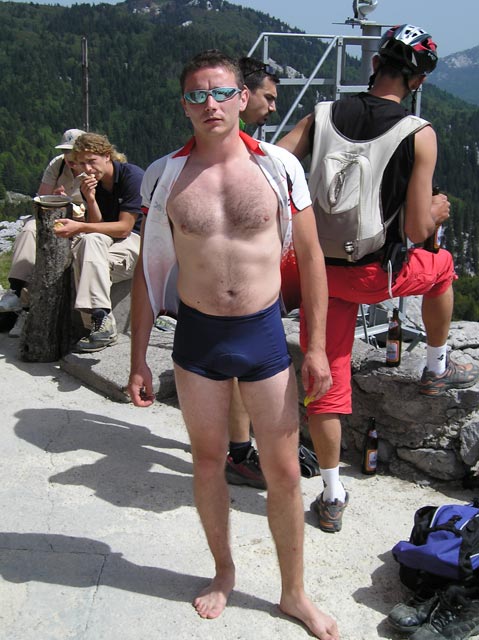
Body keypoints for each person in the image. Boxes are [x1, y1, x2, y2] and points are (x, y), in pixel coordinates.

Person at [128, 50, 338, 639]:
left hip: (262, 332)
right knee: (206, 462)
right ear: (184, 105)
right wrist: (138, 357)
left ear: (243, 98)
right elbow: (148, 268)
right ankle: (223, 572)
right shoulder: (165, 175)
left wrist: (316, 347)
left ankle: (294, 593)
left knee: (284, 472)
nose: (210, 105)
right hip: (198, 336)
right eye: (197, 95)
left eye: (221, 92)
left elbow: (312, 259)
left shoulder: (278, 167)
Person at [278, 24, 479, 534]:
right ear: (418, 81)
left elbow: (275, 163)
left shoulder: (321, 114)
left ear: (375, 65)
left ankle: (332, 494)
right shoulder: (418, 132)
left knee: (325, 375)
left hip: (318, 274)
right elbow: (415, 229)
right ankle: (436, 367)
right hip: (374, 275)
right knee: (442, 269)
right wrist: (437, 211)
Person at [225, 56, 280, 490]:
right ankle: (239, 453)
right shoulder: (239, 149)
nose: (273, 107)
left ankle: (237, 448)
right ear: (244, 95)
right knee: (237, 370)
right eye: (269, 97)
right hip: (236, 285)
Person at [54, 132, 144, 352]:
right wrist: (91, 199)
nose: (88, 169)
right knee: (88, 244)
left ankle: (98, 323)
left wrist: (80, 227)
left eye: (92, 161)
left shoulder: (132, 177)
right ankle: (101, 321)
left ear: (107, 156)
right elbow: (98, 225)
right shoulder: (91, 184)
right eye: (82, 163)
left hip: (139, 240)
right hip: (108, 241)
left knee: (86, 247)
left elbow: (124, 228)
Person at [0, 128, 86, 337]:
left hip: (81, 223)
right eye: (65, 151)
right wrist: (56, 197)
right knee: (29, 229)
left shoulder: (91, 169)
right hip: (54, 218)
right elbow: (40, 200)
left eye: (73, 152)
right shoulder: (57, 165)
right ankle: (16, 289)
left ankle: (26, 309)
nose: (68, 157)